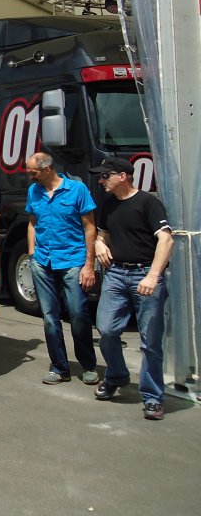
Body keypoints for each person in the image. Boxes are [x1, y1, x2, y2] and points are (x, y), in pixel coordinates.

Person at [90, 156, 174, 421]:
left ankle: (152, 398)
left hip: (144, 274)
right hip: (116, 274)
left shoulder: (149, 203)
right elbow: (102, 234)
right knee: (106, 330)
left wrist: (152, 276)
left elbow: (166, 240)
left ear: (122, 176)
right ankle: (117, 375)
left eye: (106, 176)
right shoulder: (108, 204)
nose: (101, 180)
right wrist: (99, 245)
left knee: (150, 343)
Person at [25, 152, 99, 386]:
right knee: (49, 317)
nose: (30, 177)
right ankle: (59, 368)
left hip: (73, 261)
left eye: (32, 173)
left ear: (47, 170)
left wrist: (89, 265)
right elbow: (32, 223)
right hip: (43, 261)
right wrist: (31, 254)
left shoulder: (77, 190)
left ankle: (88, 365)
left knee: (78, 314)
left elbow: (90, 228)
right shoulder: (34, 192)